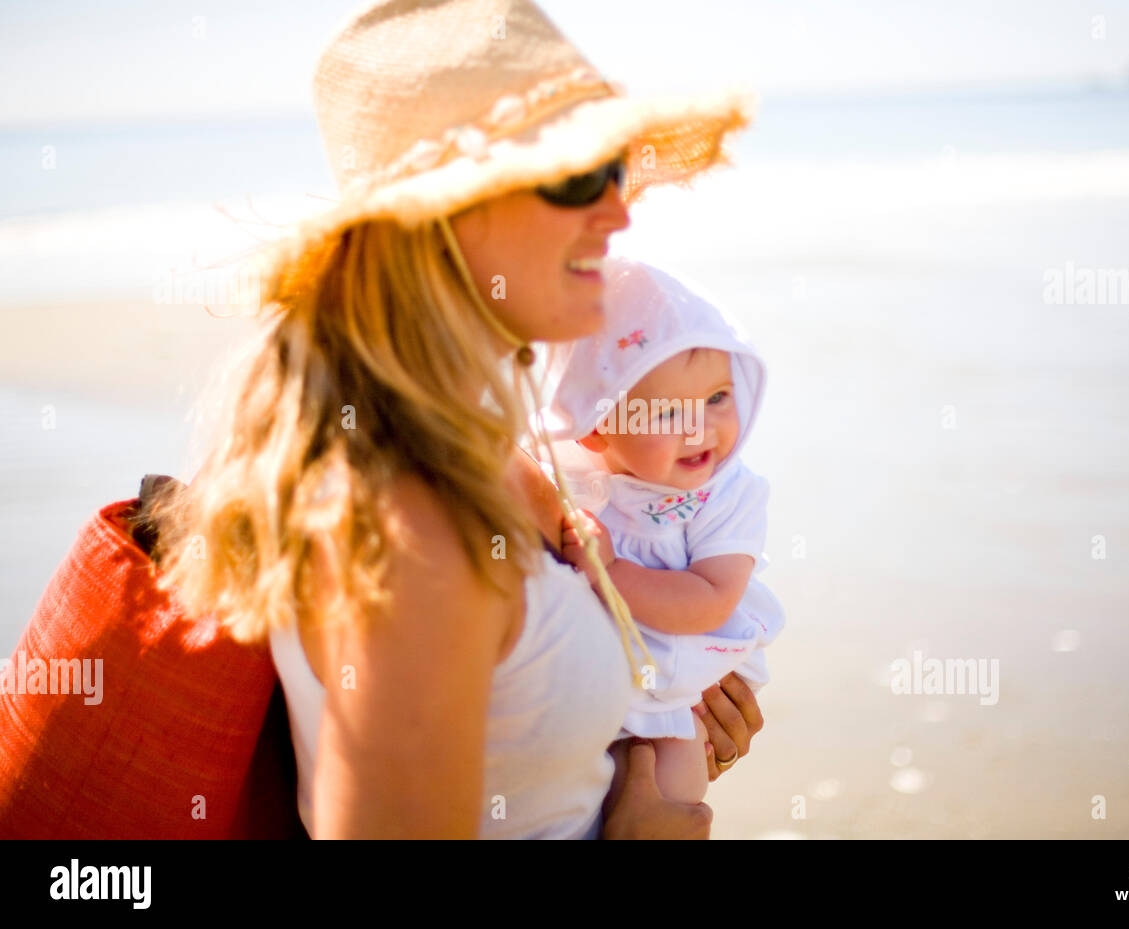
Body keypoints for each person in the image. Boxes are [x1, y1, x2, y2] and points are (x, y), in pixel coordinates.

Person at [146, 0, 762, 838]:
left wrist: (664, 742)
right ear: (442, 217)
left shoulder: (474, 454)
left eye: (615, 168)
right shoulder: (412, 524)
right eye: (579, 175)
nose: (620, 211)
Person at [541, 258, 785, 805]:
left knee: (670, 771)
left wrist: (614, 571)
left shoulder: (727, 495)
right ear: (597, 429)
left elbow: (713, 599)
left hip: (687, 664)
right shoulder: (563, 477)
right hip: (595, 678)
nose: (701, 429)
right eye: (668, 414)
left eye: (718, 398)